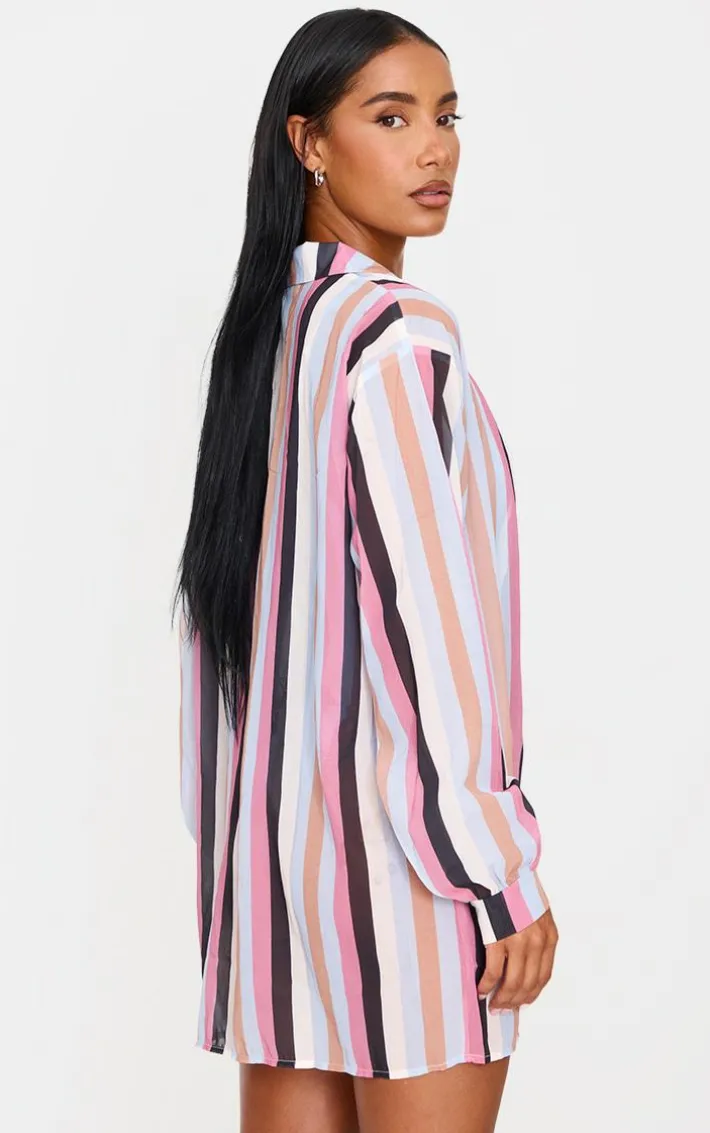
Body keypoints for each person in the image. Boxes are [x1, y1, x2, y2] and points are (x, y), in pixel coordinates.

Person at [172, 9, 558, 1132]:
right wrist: (495, 867)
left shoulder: (267, 341)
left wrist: (237, 868)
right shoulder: (396, 338)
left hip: (277, 884)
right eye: (390, 118)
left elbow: (215, 653)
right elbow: (422, 628)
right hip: (409, 882)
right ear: (309, 142)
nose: (434, 148)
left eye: (446, 116)